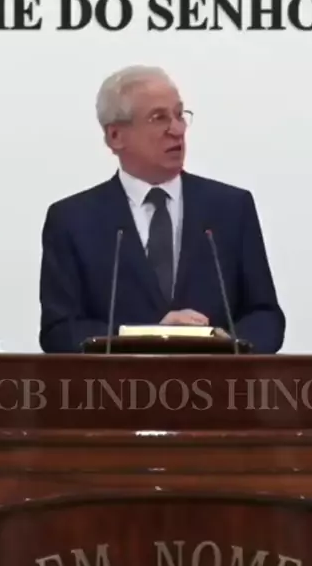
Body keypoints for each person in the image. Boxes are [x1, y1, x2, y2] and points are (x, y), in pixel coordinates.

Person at [39, 65, 285, 353]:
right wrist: (147, 336)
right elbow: (59, 331)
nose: (177, 130)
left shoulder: (231, 208)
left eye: (179, 115)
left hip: (216, 379)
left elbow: (265, 315)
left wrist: (226, 344)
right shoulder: (73, 221)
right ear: (115, 136)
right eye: (159, 118)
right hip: (117, 381)